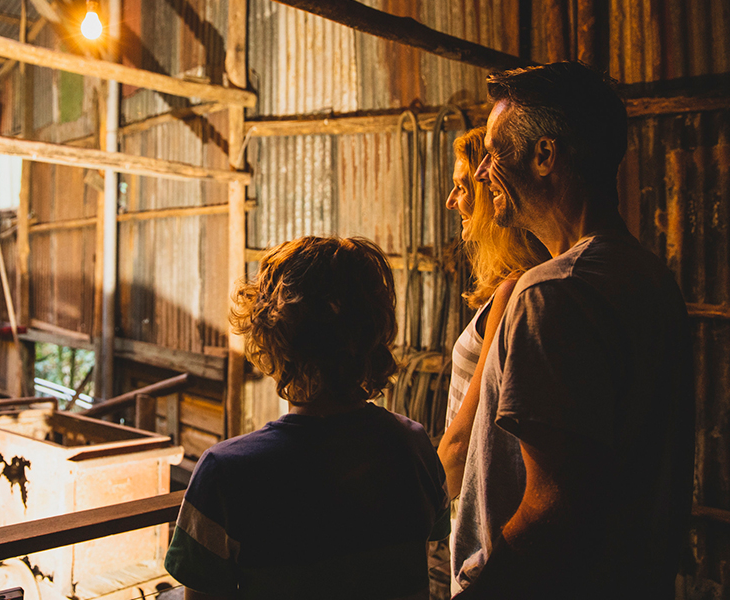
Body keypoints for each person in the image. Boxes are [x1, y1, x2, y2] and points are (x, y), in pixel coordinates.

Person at [451, 62, 693, 598]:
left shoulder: (552, 292)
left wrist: (481, 588)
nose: (485, 170)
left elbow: (554, 506)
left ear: (545, 156)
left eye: (494, 151)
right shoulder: (648, 278)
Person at [165, 236, 449, 600]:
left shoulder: (226, 473)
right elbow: (433, 536)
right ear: (376, 330)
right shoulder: (413, 447)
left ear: (271, 338)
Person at [436, 127, 548, 593]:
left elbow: (464, 436)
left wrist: (402, 513)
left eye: (463, 186)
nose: (451, 199)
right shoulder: (514, 286)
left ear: (491, 192)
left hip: (486, 534)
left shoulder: (515, 292)